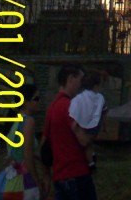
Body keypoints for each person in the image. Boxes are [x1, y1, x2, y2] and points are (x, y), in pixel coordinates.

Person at [43, 64, 97, 200]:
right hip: (76, 174)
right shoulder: (70, 106)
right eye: (81, 79)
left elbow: (44, 143)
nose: (82, 85)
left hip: (60, 176)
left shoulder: (52, 107)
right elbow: (83, 140)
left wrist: (47, 174)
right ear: (71, 79)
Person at [0, 83, 49, 200]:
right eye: (36, 99)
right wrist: (37, 182)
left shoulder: (15, 121)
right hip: (22, 180)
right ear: (26, 102)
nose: (39, 101)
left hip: (8, 177)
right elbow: (27, 156)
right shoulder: (29, 121)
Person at [68, 72, 107, 172]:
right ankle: (92, 157)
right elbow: (104, 111)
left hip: (84, 123)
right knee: (89, 142)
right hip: (95, 124)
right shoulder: (100, 98)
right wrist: (103, 124)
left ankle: (90, 162)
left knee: (85, 144)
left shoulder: (80, 98)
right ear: (95, 86)